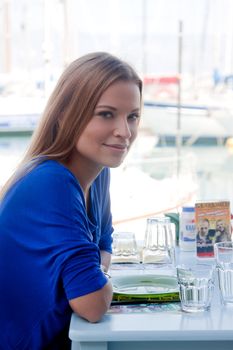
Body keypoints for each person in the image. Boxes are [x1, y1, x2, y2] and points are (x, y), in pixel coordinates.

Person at [0, 52, 142, 349]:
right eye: (106, 114)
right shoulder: (50, 182)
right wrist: (94, 280)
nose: (125, 132)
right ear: (66, 114)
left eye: (133, 116)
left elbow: (104, 247)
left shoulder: (98, 173)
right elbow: (91, 305)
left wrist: (94, 278)